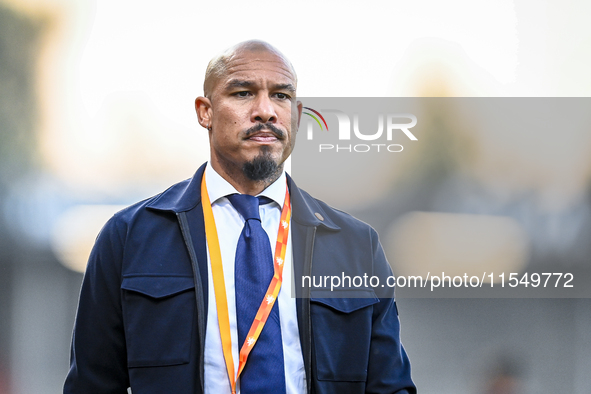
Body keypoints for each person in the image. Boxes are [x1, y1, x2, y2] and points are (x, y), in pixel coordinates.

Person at [63, 40, 416, 394]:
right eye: (244, 93)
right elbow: (92, 384)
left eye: (281, 96)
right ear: (205, 112)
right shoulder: (129, 238)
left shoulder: (356, 245)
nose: (266, 111)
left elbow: (390, 387)